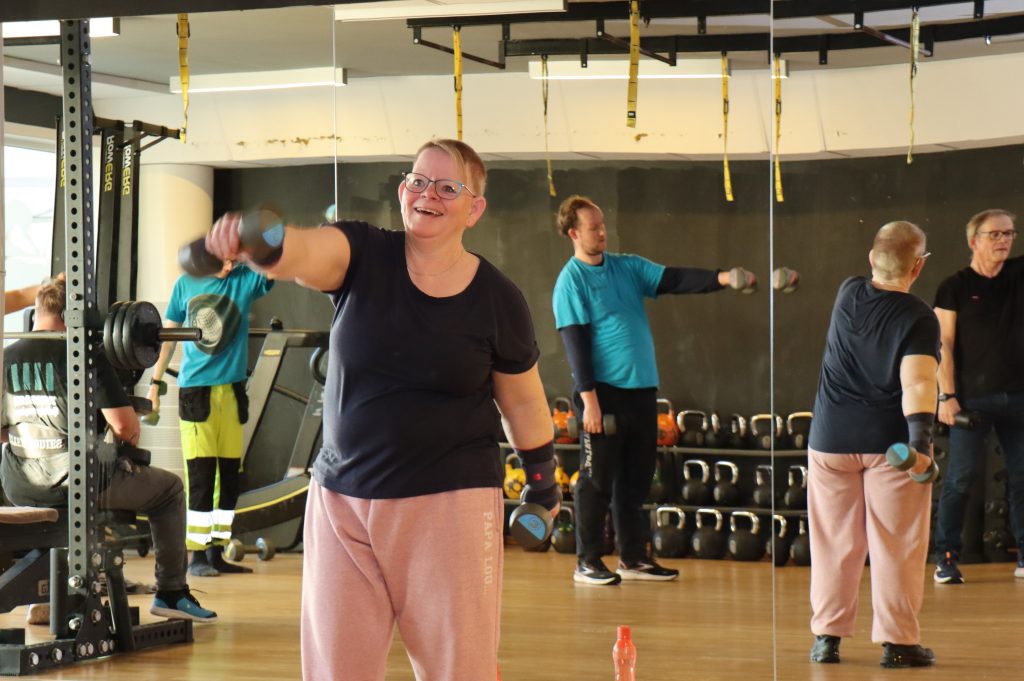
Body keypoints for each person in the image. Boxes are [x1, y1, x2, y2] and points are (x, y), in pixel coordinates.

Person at [202, 138, 559, 680]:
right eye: (418, 181)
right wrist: (266, 243)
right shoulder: (364, 252)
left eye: (448, 187)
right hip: (344, 503)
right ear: (402, 190)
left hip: (449, 507)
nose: (428, 195)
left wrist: (543, 486)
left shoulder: (497, 298)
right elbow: (307, 253)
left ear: (475, 208)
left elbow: (525, 402)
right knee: (335, 670)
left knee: (457, 670)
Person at [551, 195, 754, 586]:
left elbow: (674, 279)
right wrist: (588, 400)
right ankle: (587, 561)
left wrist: (725, 278)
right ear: (574, 233)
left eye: (602, 224)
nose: (602, 231)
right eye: (593, 227)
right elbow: (575, 345)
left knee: (636, 479)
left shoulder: (627, 267)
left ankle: (632, 558)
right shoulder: (571, 282)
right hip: (601, 396)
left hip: (641, 392)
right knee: (595, 481)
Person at [0, 276, 217, 623]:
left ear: (37, 311)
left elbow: (3, 433)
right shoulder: (82, 354)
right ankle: (172, 592)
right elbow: (126, 427)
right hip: (75, 482)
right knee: (169, 490)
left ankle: (47, 597)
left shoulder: (6, 356)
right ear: (75, 315)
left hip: (19, 486)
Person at [806, 221, 938, 668]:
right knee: (897, 543)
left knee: (833, 544)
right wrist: (921, 443)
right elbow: (918, 380)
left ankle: (827, 639)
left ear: (870, 259)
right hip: (890, 445)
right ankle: (898, 644)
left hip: (830, 441)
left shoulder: (847, 292)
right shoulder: (919, 316)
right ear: (917, 267)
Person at [147, 259, 273, 577]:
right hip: (196, 392)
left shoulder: (244, 279)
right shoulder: (185, 284)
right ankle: (197, 556)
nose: (229, 265)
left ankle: (217, 551)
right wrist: (155, 384)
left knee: (228, 478)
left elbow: (274, 267)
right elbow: (169, 336)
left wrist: (251, 246)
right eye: (223, 258)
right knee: (201, 477)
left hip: (231, 392)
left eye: (234, 257)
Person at [933, 208, 1024, 584]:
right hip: (970, 401)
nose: (1004, 240)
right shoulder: (953, 286)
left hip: (1019, 397)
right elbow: (944, 344)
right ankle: (946, 559)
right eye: (995, 234)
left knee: (1022, 479)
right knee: (960, 479)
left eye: (1009, 234)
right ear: (974, 241)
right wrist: (946, 396)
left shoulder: (1020, 274)